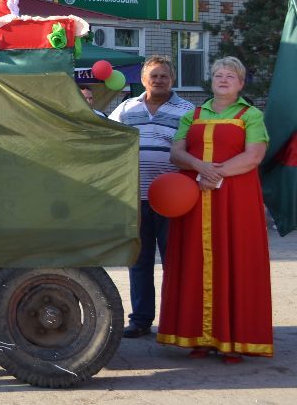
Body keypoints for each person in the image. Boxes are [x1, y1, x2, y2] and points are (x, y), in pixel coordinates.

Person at [161, 57, 272, 362]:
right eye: (218, 75)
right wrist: (200, 168)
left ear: (241, 83)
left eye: (230, 76)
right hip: (194, 199)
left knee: (234, 262)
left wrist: (214, 174)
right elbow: (176, 152)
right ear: (211, 80)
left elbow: (253, 157)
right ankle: (200, 336)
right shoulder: (193, 114)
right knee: (194, 263)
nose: (223, 80)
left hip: (235, 200)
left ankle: (232, 341)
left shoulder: (251, 115)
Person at [108, 56, 194, 338]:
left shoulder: (188, 110)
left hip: (174, 200)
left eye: (164, 76)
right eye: (153, 75)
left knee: (175, 263)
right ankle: (141, 320)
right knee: (140, 262)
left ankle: (176, 320)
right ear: (143, 80)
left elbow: (195, 150)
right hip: (135, 198)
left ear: (173, 79)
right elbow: (109, 138)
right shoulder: (126, 108)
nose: (158, 80)